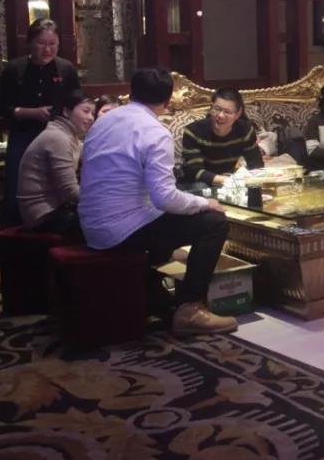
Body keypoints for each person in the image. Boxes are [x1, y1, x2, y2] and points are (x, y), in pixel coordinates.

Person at [78, 67, 236, 336]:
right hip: (121, 230)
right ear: (167, 100)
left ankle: (153, 292)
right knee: (214, 223)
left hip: (90, 224)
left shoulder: (104, 121)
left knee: (168, 218)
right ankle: (190, 309)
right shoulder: (155, 132)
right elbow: (165, 198)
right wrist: (204, 203)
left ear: (131, 93)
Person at [0, 18, 81, 225]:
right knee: (16, 185)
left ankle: (55, 224)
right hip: (23, 134)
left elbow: (76, 101)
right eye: (42, 43)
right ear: (30, 43)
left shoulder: (66, 69)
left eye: (53, 44)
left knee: (59, 183)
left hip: (58, 137)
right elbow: (1, 106)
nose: (47, 49)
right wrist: (29, 112)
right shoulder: (15, 69)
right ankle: (13, 233)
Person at [16, 89, 95, 238]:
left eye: (93, 113)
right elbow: (69, 191)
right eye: (86, 111)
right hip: (43, 215)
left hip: (58, 208)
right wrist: (103, 200)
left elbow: (92, 156)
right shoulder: (58, 138)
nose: (91, 118)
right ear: (66, 111)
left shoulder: (68, 136)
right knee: (108, 220)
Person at [181, 88, 264, 186]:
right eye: (217, 109)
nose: (220, 115)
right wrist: (227, 180)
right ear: (211, 107)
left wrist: (250, 179)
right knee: (200, 185)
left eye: (227, 112)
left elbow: (256, 164)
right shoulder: (193, 131)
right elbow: (193, 171)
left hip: (228, 182)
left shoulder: (245, 129)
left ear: (237, 114)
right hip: (198, 183)